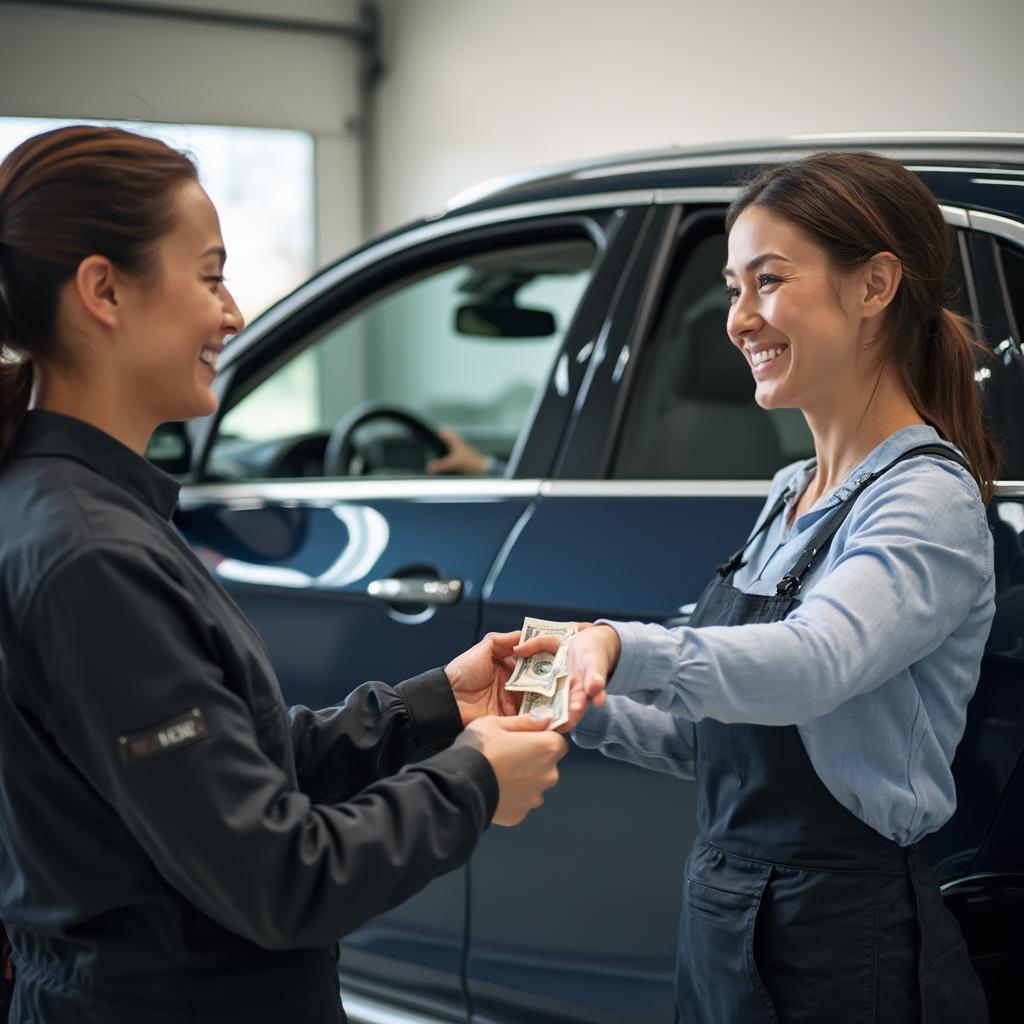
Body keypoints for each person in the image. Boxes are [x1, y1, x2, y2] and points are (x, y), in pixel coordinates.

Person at [0, 125, 567, 1024]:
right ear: (104, 290)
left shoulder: (76, 511)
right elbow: (279, 878)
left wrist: (438, 705)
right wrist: (475, 782)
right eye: (211, 275)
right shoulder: (90, 556)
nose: (231, 315)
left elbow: (231, 773)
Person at [551, 153, 997, 1022]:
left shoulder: (926, 498)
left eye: (768, 281)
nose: (739, 319)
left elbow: (813, 663)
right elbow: (712, 732)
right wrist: (573, 696)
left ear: (874, 286)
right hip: (727, 920)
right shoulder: (791, 493)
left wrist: (618, 640)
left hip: (840, 943)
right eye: (731, 289)